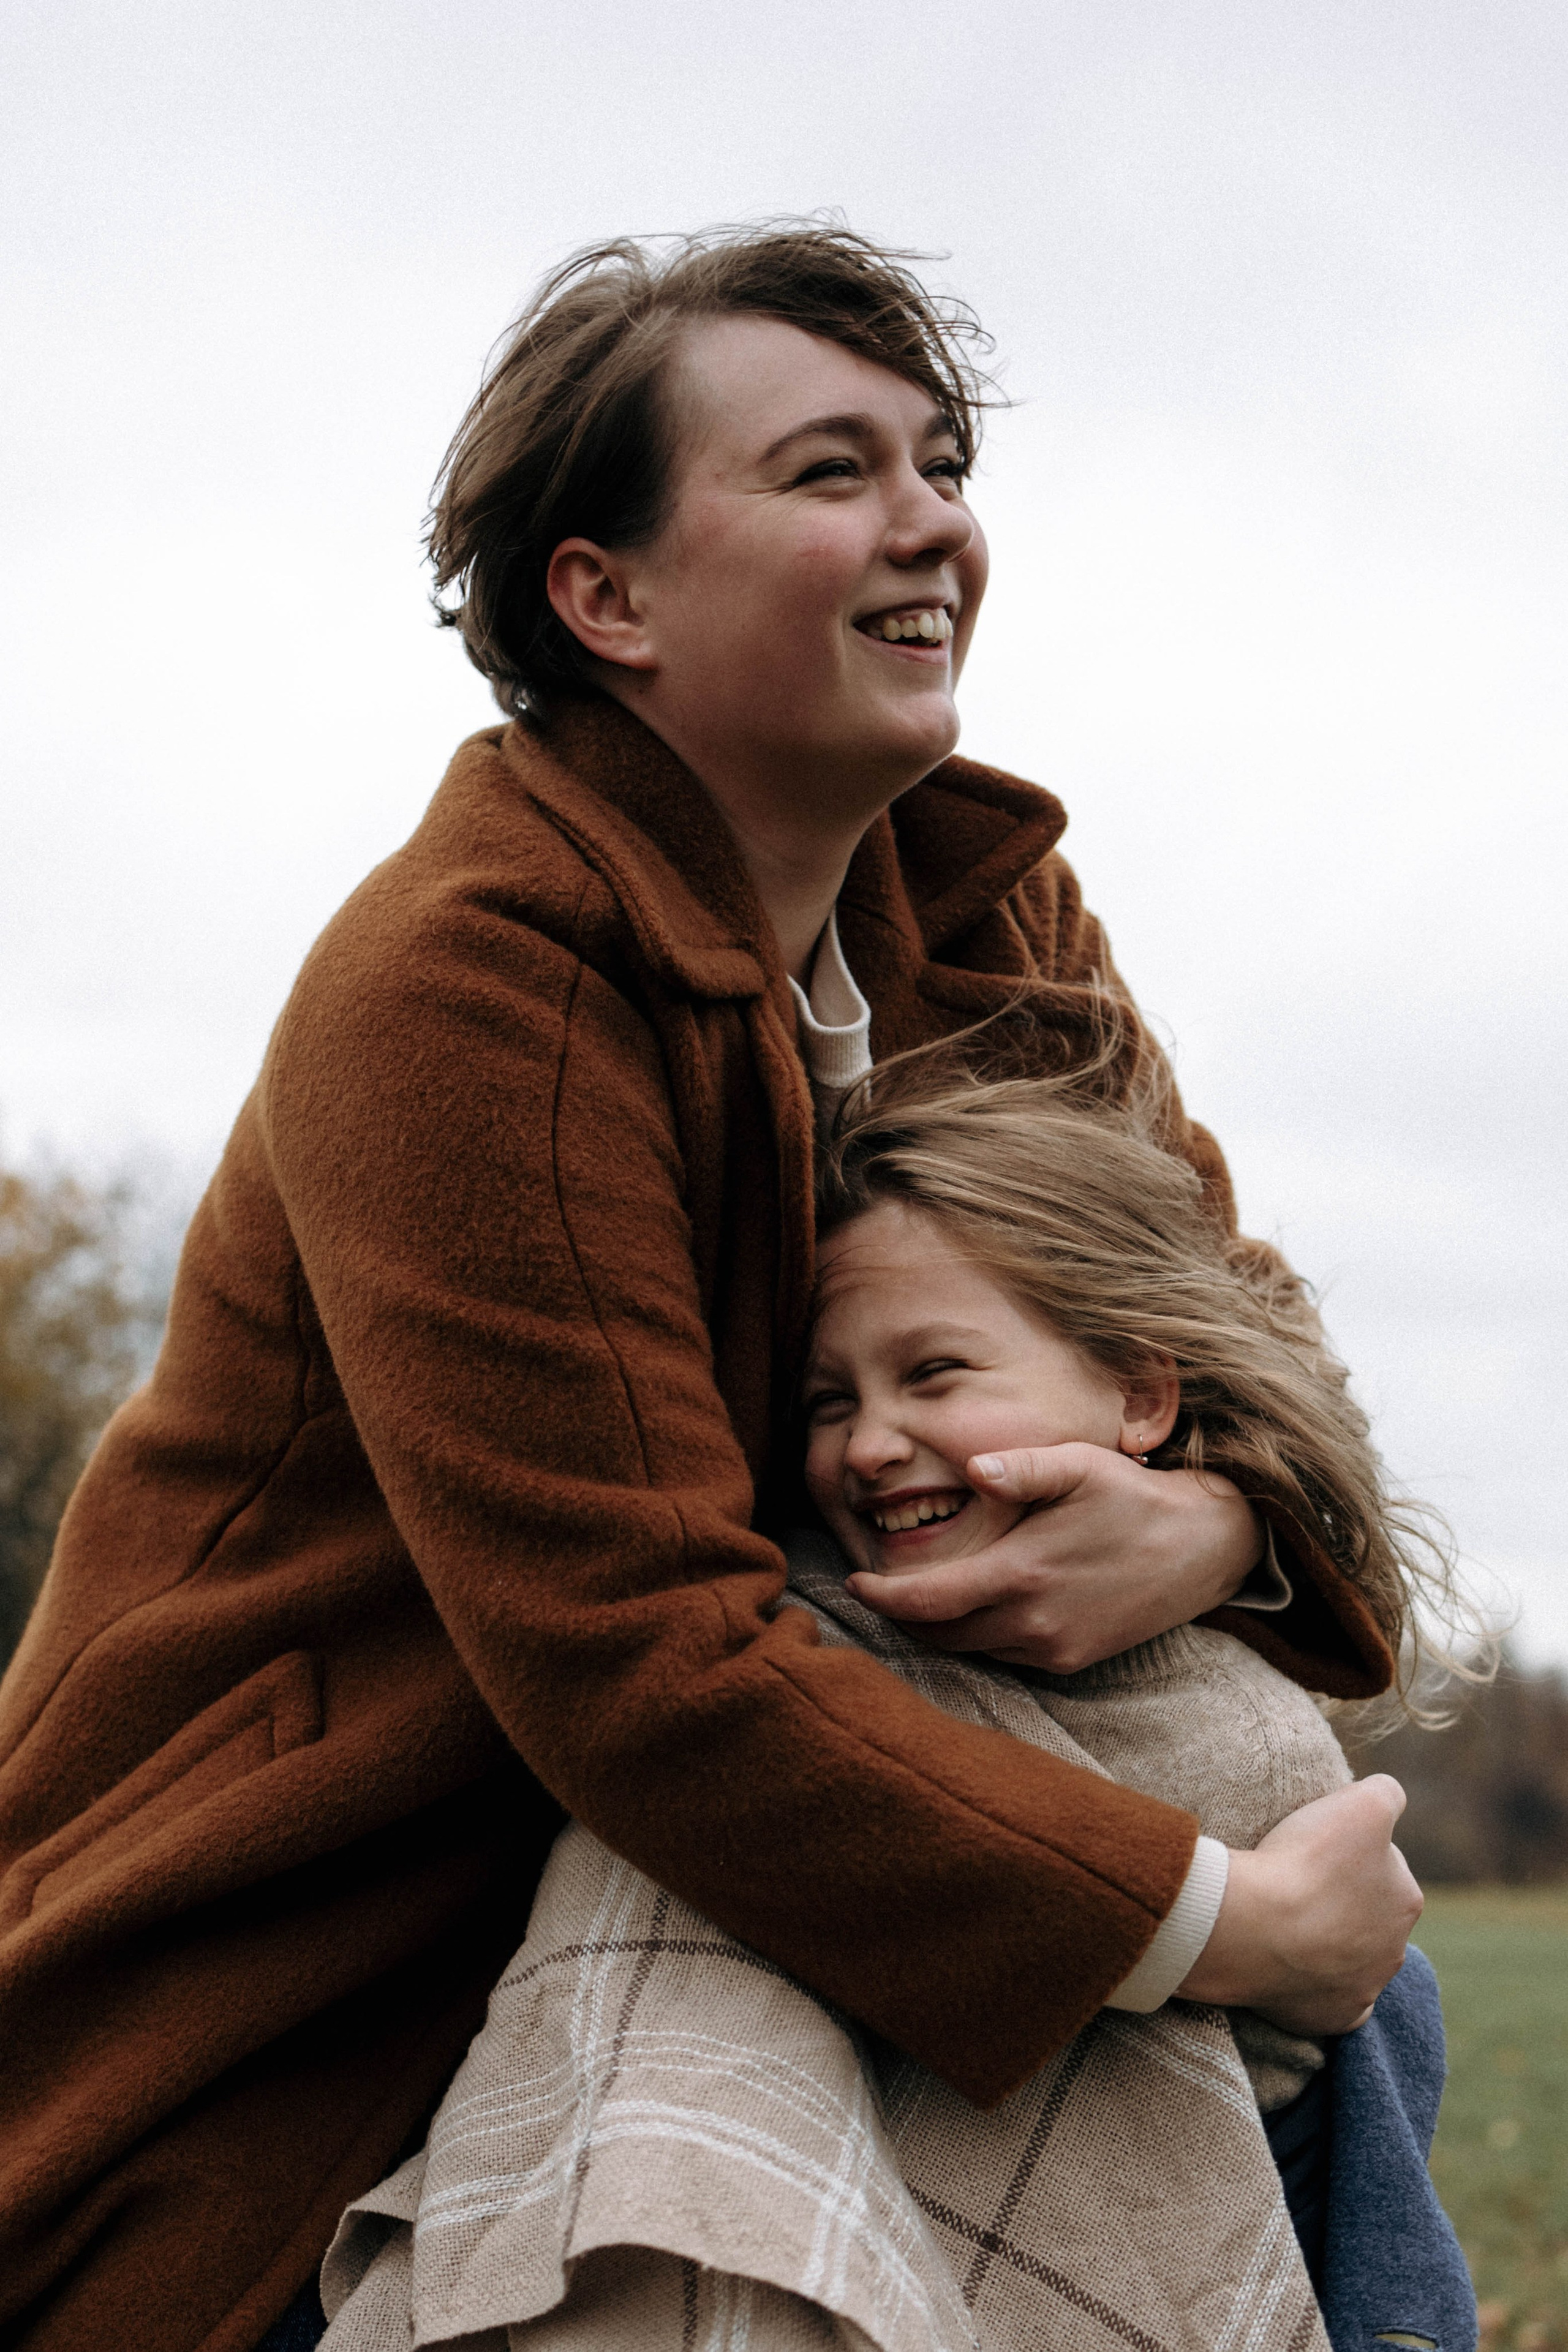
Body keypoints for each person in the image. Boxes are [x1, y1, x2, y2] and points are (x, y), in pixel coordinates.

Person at [0, 224, 1419, 2352]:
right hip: (330, 1991)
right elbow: (643, 1664)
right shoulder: (467, 984)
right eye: (834, 471)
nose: (935, 518)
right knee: (1287, 1943)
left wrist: (1217, 1507)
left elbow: (1232, 1335)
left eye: (942, 462)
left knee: (1324, 1884)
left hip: (785, 1846)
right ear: (609, 596)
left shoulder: (984, 904)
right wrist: (1215, 1924)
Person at [315, 1057, 1474, 2352]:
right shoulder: (779, 1669)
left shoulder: (1241, 1716)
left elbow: (1327, 2100)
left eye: (935, 1374)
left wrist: (1227, 1523)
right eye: (830, 1401)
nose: (869, 1443)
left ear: (1141, 1392)